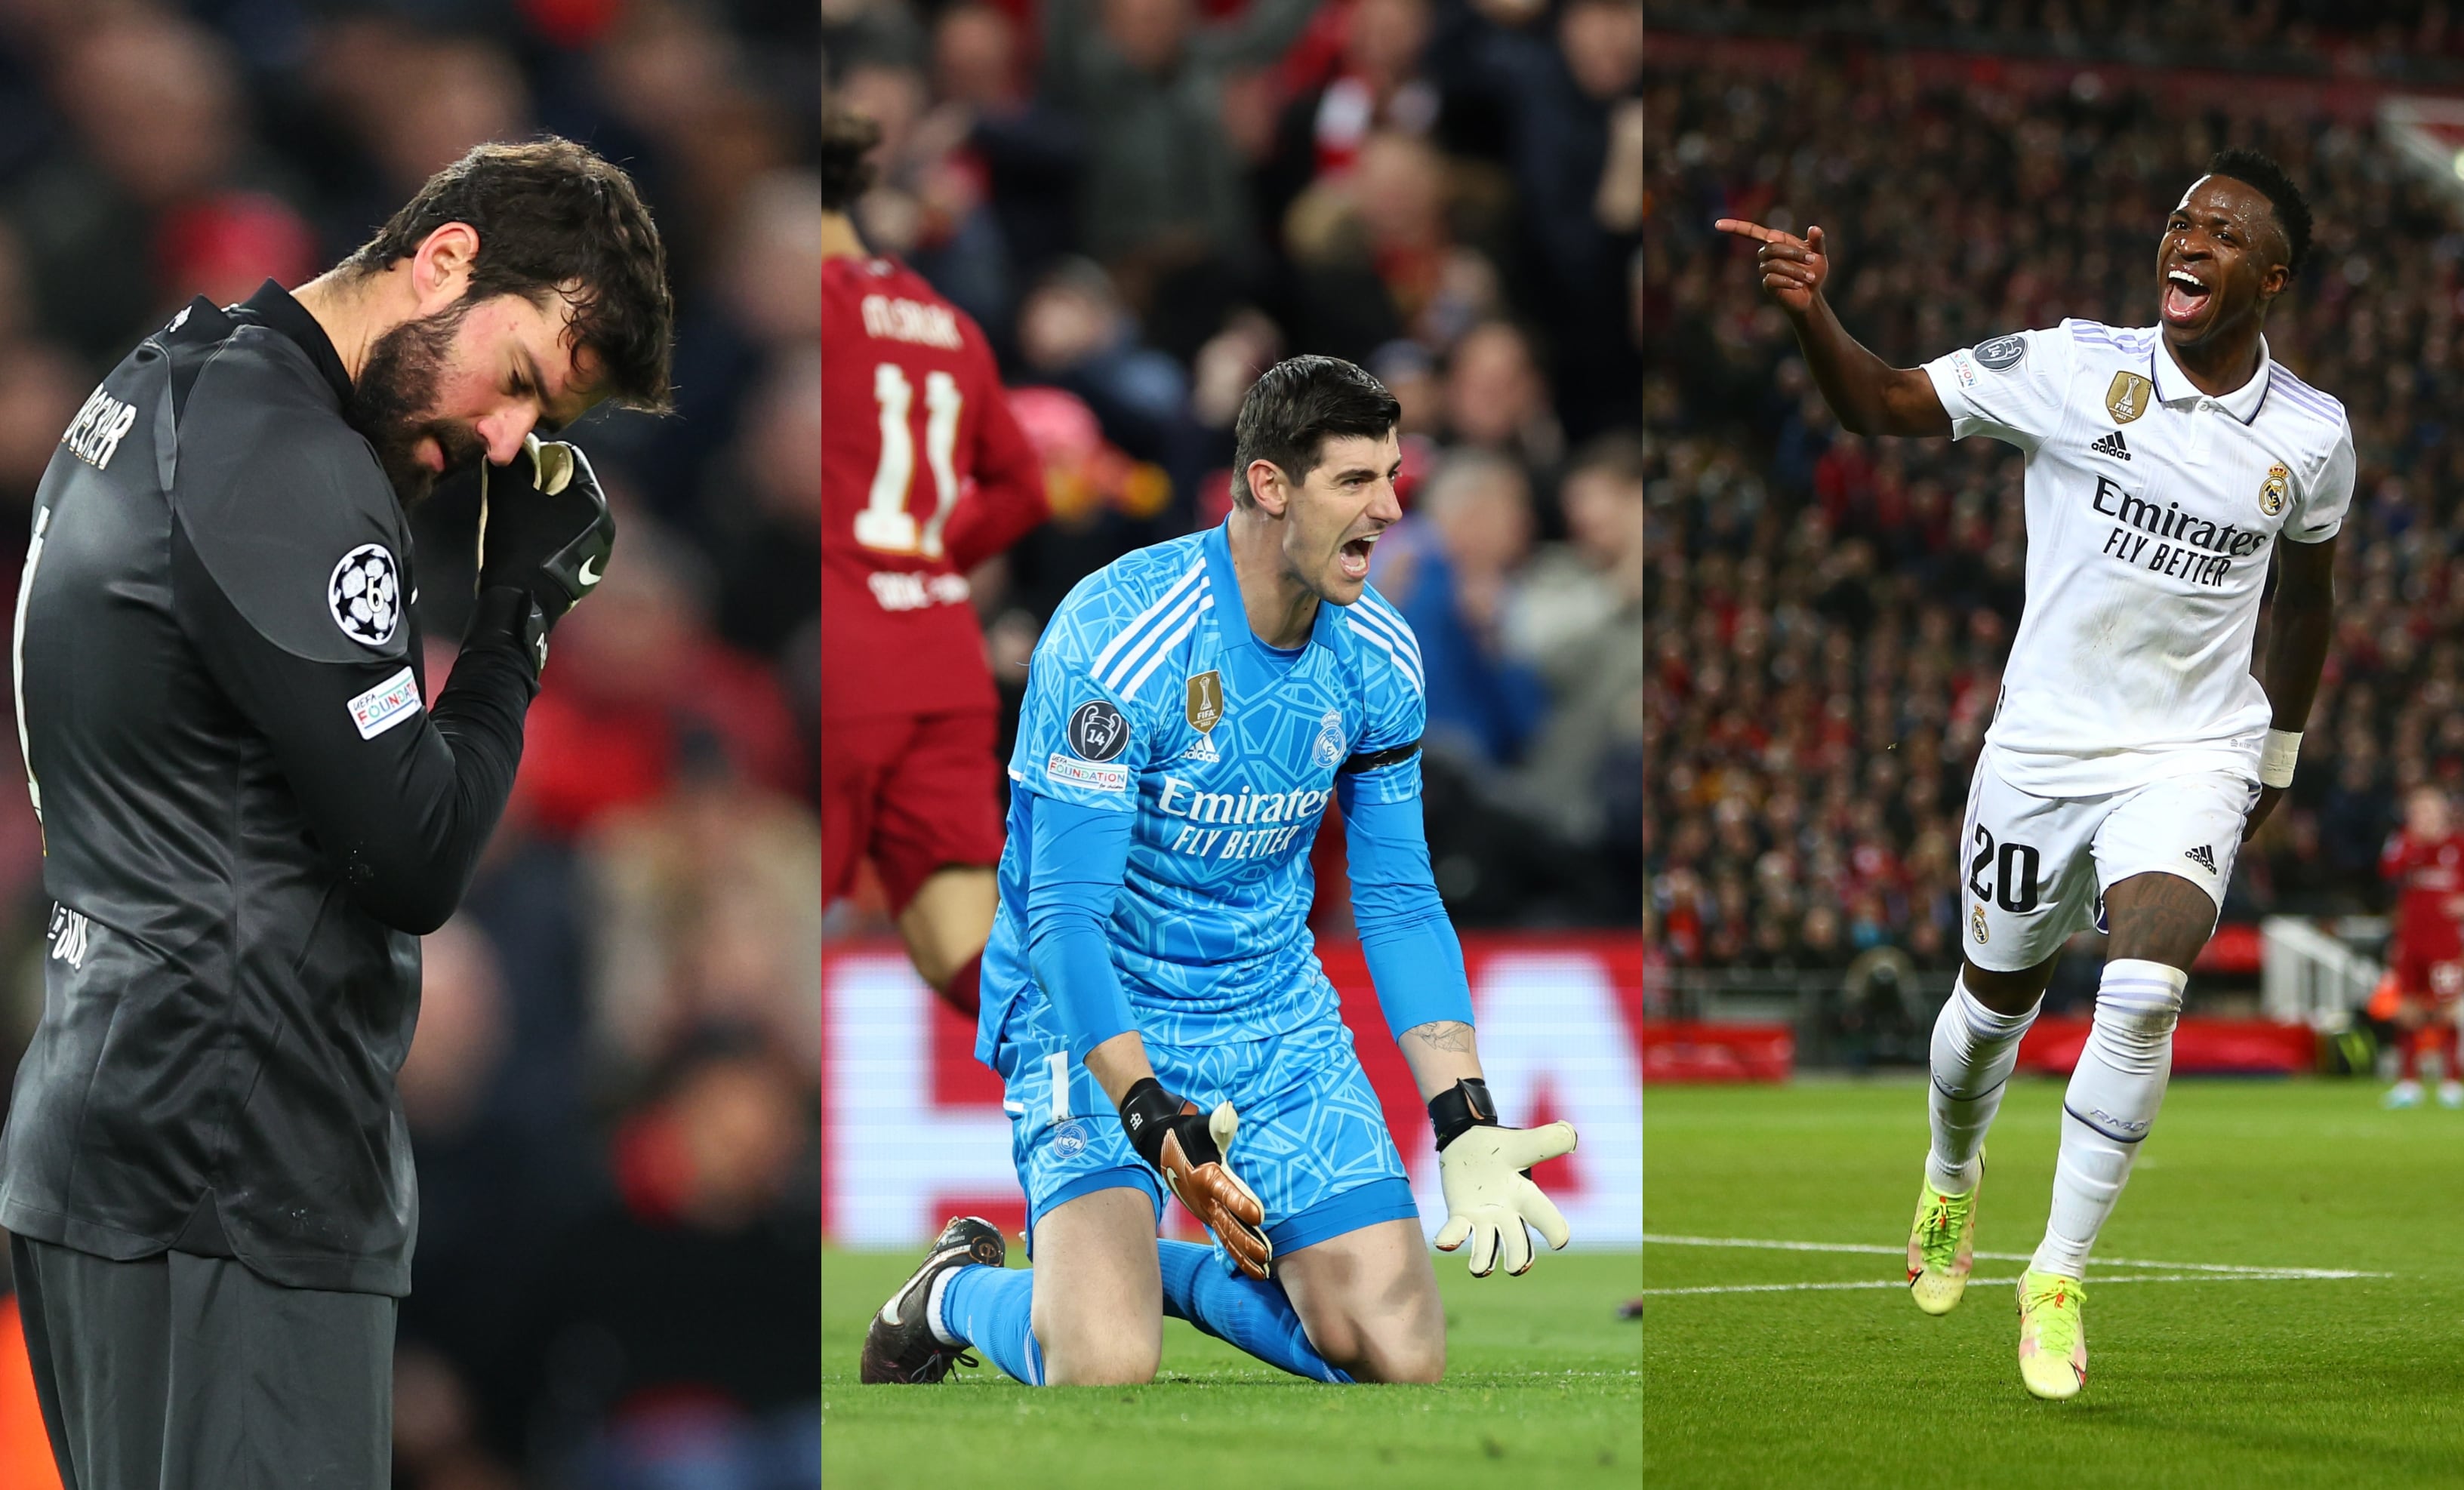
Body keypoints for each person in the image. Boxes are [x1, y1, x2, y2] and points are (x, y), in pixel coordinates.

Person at [0, 137, 672, 1483]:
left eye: (544, 430)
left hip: (108, 1128)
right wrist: (516, 620)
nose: (503, 442)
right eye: (522, 382)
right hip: (236, 1152)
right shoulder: (287, 460)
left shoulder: (165, 384)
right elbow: (414, 846)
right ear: (444, 258)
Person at [1718, 146, 2352, 1401]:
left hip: (2189, 749)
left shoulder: (2310, 436)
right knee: (1986, 1016)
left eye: (2221, 231)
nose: (2189, 239)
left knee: (2144, 987)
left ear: (2266, 278)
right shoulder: (2072, 367)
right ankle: (1950, 1173)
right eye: (2181, 218)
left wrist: (2270, 753)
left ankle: (2055, 1270)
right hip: (2041, 750)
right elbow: (1885, 403)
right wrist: (1810, 317)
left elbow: (2305, 604)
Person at [859, 354, 1578, 1390]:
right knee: (1102, 1365)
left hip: (1269, 1011)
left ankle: (1131, 1270)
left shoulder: (1379, 653)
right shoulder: (1118, 636)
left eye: (1392, 476)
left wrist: (1462, 1113)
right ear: (1270, 486)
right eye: (1355, 481)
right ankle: (949, 1295)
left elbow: (1398, 896)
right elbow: (1065, 917)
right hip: (1093, 1008)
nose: (1388, 507)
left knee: (1398, 1354)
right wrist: (1152, 1114)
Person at [821, 105, 1049, 1019]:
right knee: (972, 950)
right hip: (941, 650)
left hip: (846, 654)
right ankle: (1165, 1084)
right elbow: (1024, 487)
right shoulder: (945, 320)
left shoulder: (818, 311)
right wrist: (924, 559)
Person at [2376, 784, 2464, 1108]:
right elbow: (2388, 872)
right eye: (2418, 810)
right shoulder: (2402, 843)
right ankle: (2409, 1082)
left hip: (2445, 943)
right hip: (2411, 940)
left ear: (2443, 811)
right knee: (2407, 1011)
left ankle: (2452, 1081)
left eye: (2429, 809)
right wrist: (2414, 843)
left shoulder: (2458, 844)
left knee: (2447, 1011)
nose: (2424, 816)